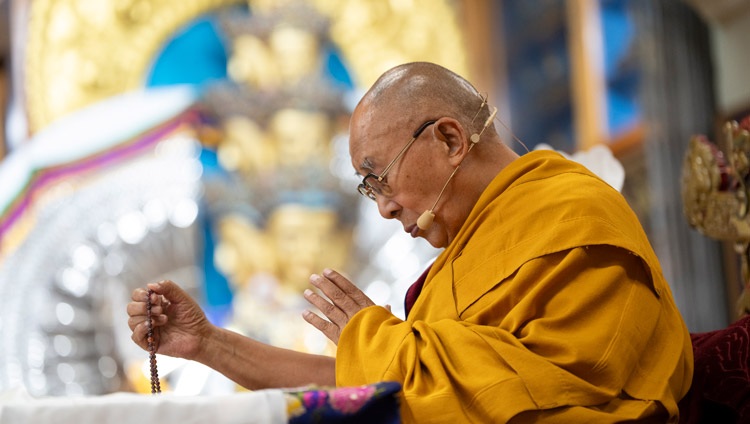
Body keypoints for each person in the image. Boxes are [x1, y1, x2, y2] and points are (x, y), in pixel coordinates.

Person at [128, 62, 693, 422]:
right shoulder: (466, 253)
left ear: (449, 138)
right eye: (367, 189)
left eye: (380, 178)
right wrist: (208, 345)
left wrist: (380, 343)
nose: (385, 206)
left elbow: (540, 397)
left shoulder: (572, 214)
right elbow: (391, 388)